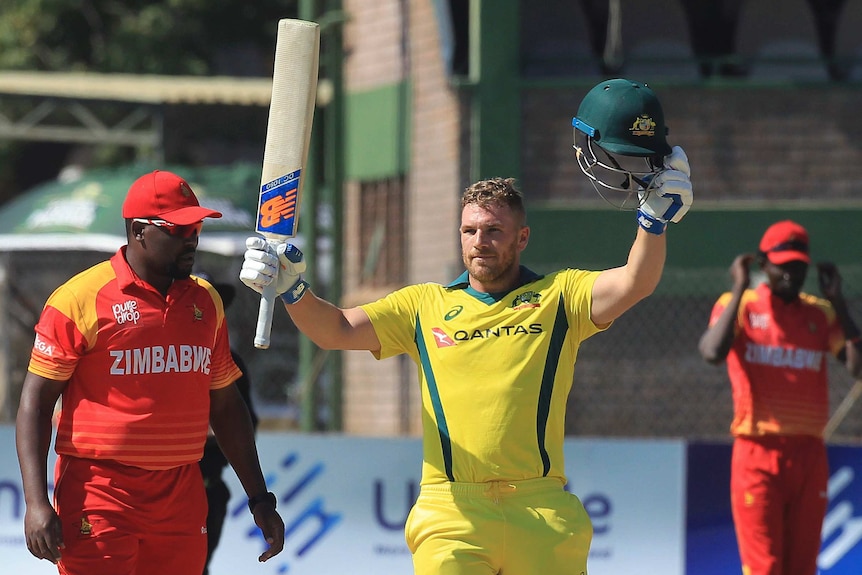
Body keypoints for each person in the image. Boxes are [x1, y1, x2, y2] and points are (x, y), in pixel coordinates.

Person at [239, 78, 693, 575]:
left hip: (540, 508)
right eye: (470, 230)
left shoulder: (559, 296)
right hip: (451, 511)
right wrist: (292, 290)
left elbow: (636, 282)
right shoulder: (424, 305)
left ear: (522, 238)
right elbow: (338, 331)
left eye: (495, 231)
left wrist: (653, 224)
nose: (480, 241)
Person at [15, 170, 284, 574]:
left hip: (182, 493)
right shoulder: (78, 299)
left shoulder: (207, 303)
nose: (192, 237)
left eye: (196, 227)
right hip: (100, 491)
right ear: (140, 231)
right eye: (179, 229)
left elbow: (226, 406)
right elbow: (35, 405)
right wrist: (36, 503)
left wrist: (259, 497)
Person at [698, 220, 862, 575]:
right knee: (765, 568)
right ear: (762, 264)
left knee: (802, 568)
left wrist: (840, 303)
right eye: (783, 266)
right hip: (757, 454)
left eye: (799, 267)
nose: (791, 275)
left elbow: (857, 367)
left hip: (808, 455)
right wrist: (741, 286)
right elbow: (711, 352)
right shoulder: (739, 306)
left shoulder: (820, 312)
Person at [194, 271, 259, 575]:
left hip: (204, 488)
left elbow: (242, 423)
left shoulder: (229, 363)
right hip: (145, 491)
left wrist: (260, 499)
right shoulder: (150, 354)